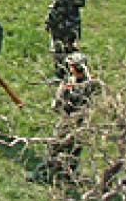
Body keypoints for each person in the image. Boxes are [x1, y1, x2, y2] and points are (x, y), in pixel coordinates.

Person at [31, 52, 100, 183]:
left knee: (58, 147)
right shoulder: (84, 83)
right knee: (70, 148)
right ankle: (63, 174)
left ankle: (50, 174)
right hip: (77, 122)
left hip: (71, 121)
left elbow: (64, 104)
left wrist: (65, 93)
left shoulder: (81, 85)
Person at [44, 0, 89, 79]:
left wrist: (48, 22)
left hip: (60, 24)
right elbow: (80, 2)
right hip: (74, 21)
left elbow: (56, 8)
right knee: (72, 49)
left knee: (58, 51)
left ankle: (61, 75)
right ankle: (76, 73)